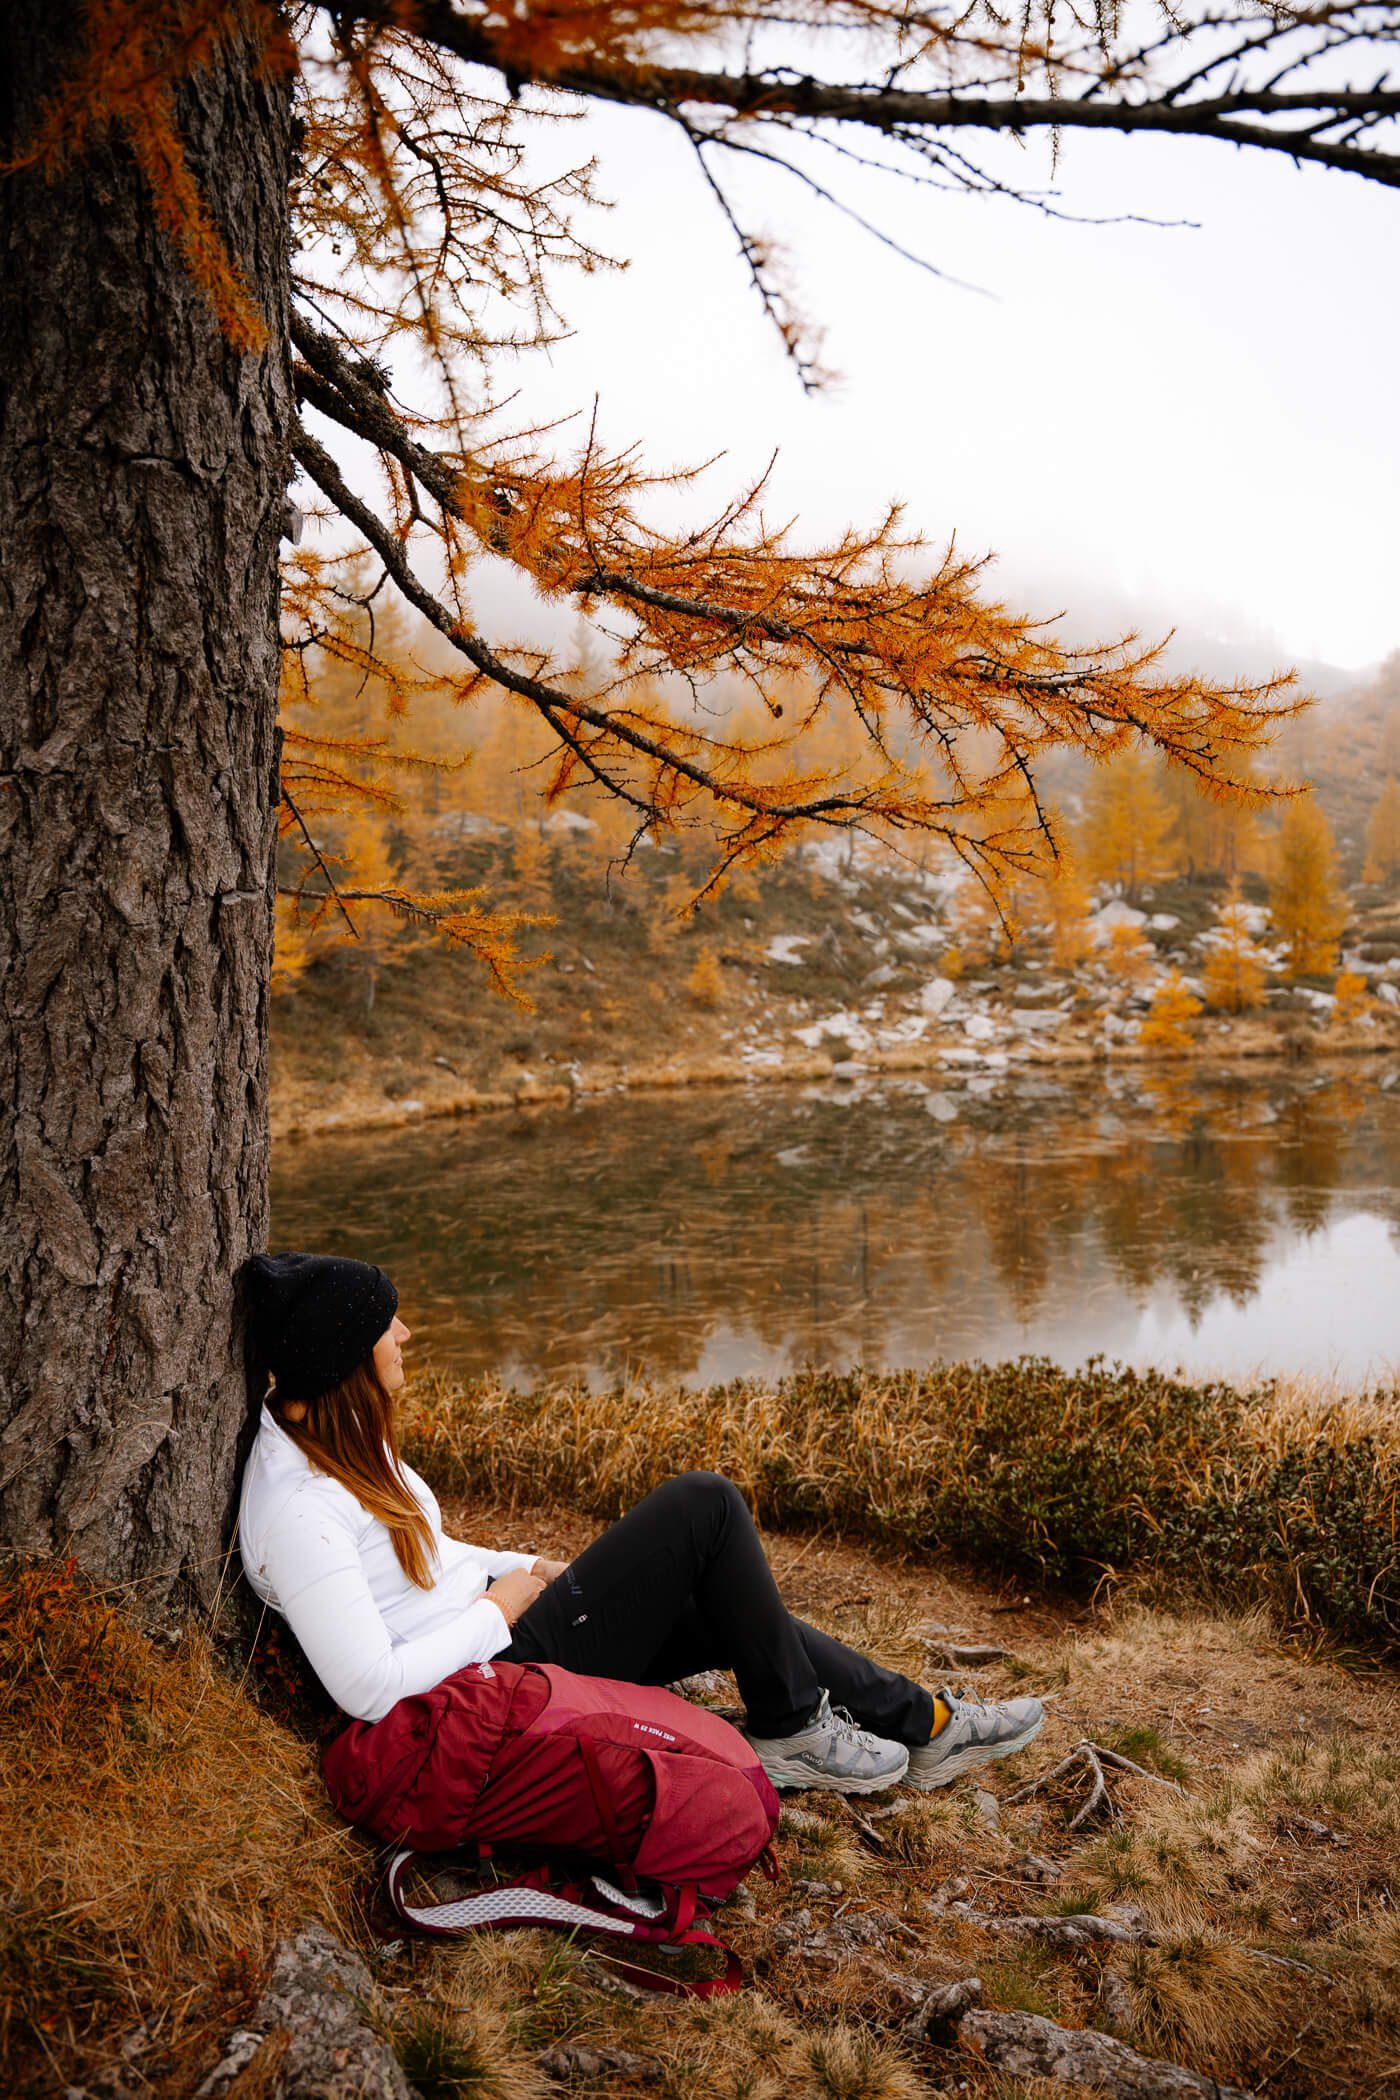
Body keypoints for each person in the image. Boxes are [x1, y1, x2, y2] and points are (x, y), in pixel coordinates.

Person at [237, 1251, 1044, 1796]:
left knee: (726, 1605)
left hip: (499, 1641)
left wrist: (525, 1566)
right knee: (706, 1503)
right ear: (342, 1358)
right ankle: (796, 1729)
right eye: (387, 1324)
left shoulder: (336, 1438)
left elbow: (429, 1554)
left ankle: (928, 1726)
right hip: (491, 1687)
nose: (406, 1333)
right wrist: (501, 1607)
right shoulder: (302, 1513)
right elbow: (369, 1689)